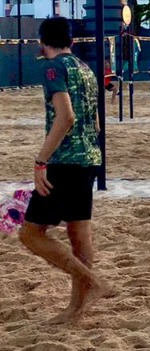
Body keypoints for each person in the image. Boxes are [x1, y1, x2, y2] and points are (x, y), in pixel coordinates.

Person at [19, 16, 108, 322]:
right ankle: (76, 310)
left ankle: (93, 282)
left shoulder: (51, 68)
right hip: (90, 157)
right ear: (70, 40)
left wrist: (41, 161)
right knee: (79, 234)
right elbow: (94, 122)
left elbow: (66, 116)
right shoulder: (86, 69)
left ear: (43, 42)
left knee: (31, 234)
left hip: (65, 161)